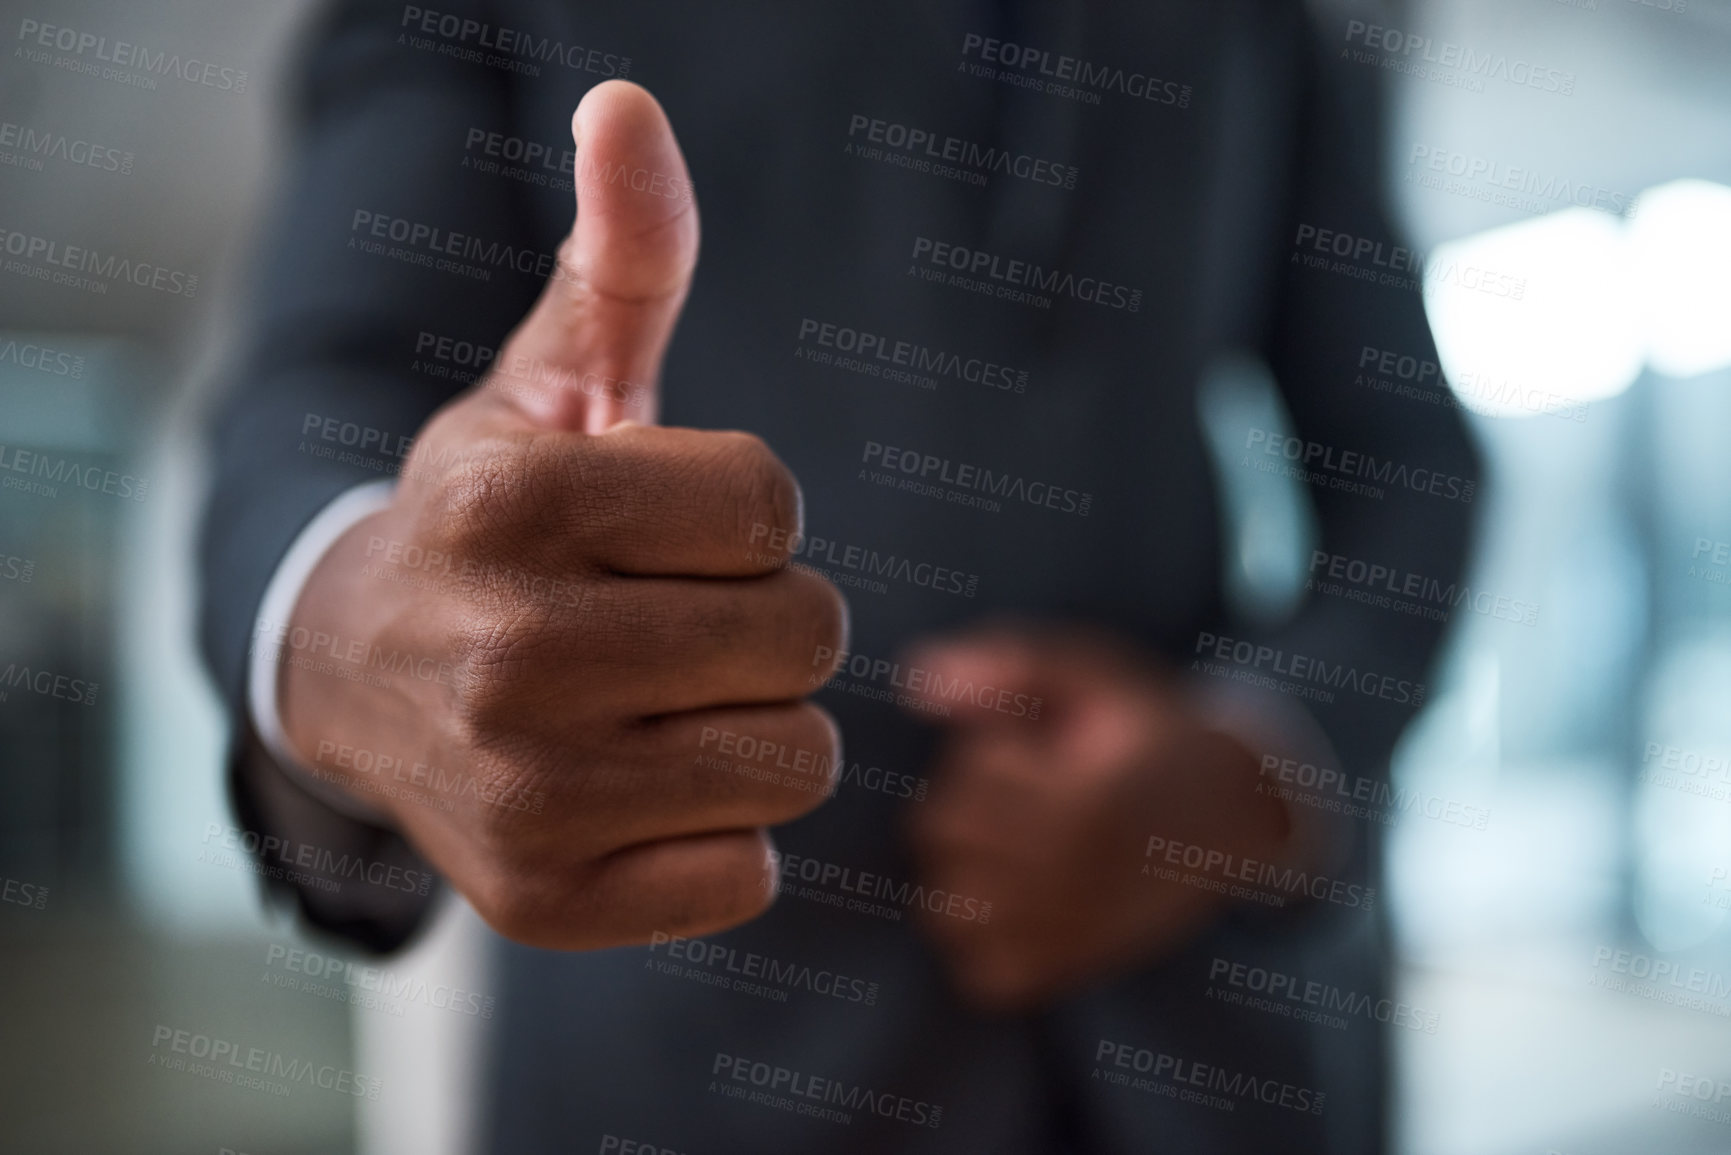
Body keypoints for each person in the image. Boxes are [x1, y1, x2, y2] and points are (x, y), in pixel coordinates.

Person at [199, 0, 1477, 1149]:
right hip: (699, 1059)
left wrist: (1255, 766)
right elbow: (327, 386)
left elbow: (1410, 459)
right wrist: (354, 625)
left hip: (1219, 1055)